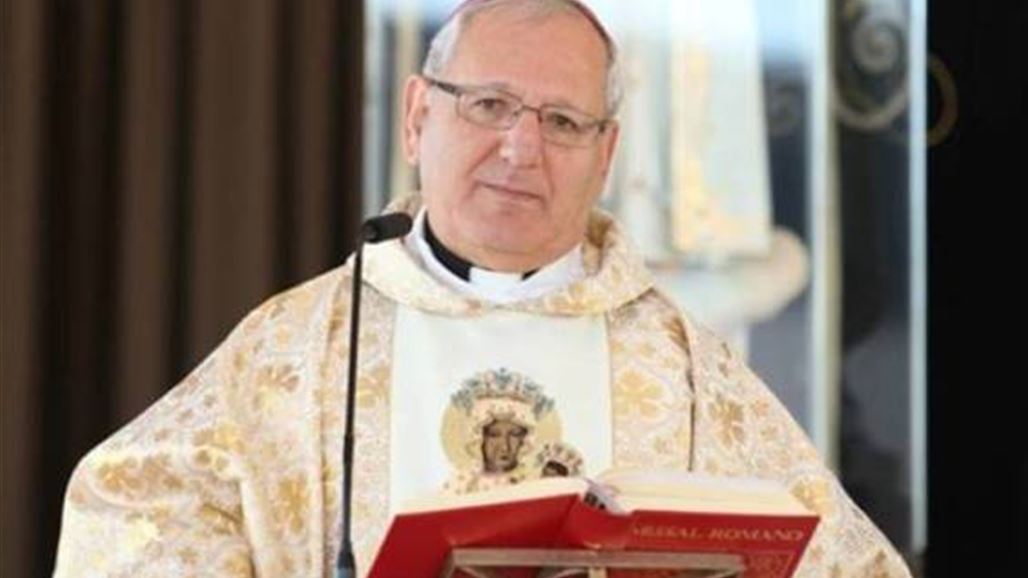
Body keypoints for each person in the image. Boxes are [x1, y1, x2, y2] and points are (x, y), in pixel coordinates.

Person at [53, 1, 913, 576]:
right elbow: (129, 514)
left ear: (606, 155)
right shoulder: (302, 349)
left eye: (562, 121)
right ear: (418, 117)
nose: (520, 148)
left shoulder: (681, 369)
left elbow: (845, 563)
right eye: (490, 105)